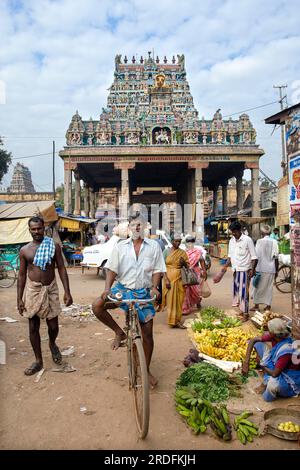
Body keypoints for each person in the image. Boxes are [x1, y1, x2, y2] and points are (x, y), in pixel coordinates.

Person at [92, 214, 166, 389]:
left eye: (140, 225)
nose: (137, 228)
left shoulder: (154, 246)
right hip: (123, 289)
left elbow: (157, 269)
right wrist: (107, 289)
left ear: (145, 227)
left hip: (143, 292)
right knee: (97, 306)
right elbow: (112, 269)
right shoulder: (120, 246)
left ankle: (145, 369)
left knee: (147, 333)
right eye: (133, 225)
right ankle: (119, 332)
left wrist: (155, 287)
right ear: (129, 228)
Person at [17, 216, 73, 376]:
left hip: (51, 289)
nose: (36, 231)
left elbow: (61, 269)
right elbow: (21, 275)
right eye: (33, 229)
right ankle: (38, 361)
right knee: (33, 327)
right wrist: (19, 299)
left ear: (44, 228)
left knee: (53, 326)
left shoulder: (53, 246)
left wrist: (67, 291)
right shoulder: (24, 250)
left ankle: (52, 343)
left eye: (39, 228)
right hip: (33, 290)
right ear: (29, 230)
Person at [242, 318, 300, 402]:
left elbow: (274, 374)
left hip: (289, 378)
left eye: (269, 331)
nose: (268, 332)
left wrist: (262, 366)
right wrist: (246, 362)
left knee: (272, 385)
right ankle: (266, 378)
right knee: (258, 344)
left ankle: (268, 395)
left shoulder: (286, 350)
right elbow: (253, 340)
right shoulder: (277, 336)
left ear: (273, 334)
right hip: (278, 367)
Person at [214, 221, 257, 321]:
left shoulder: (247, 240)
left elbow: (254, 257)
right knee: (237, 292)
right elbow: (230, 256)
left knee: (244, 293)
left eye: (235, 231)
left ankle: (246, 314)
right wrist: (224, 268)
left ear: (240, 230)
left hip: (245, 270)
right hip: (235, 270)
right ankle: (242, 311)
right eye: (232, 232)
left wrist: (253, 270)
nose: (233, 234)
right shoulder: (232, 241)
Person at [161, 233, 189, 328]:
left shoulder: (183, 253)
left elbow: (188, 266)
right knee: (171, 301)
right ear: (172, 241)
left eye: (179, 241)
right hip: (168, 279)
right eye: (176, 241)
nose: (178, 243)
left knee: (179, 300)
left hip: (179, 279)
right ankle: (171, 320)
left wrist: (184, 262)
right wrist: (166, 279)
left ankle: (177, 320)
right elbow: (162, 266)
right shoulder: (166, 251)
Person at [251, 225, 279, 312]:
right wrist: (277, 270)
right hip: (271, 269)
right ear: (270, 233)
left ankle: (256, 306)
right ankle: (268, 306)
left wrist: (253, 268)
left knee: (257, 287)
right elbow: (276, 257)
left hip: (260, 268)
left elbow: (256, 257)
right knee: (269, 288)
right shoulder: (274, 241)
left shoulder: (259, 242)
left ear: (262, 233)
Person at [182, 236, 207, 314]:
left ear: (193, 243)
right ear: (186, 243)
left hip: (196, 272)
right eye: (188, 242)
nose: (190, 244)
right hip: (187, 272)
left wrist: (204, 271)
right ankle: (186, 308)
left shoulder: (198, 251)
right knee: (187, 290)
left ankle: (198, 302)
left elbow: (202, 261)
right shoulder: (183, 252)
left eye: (191, 242)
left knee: (197, 290)